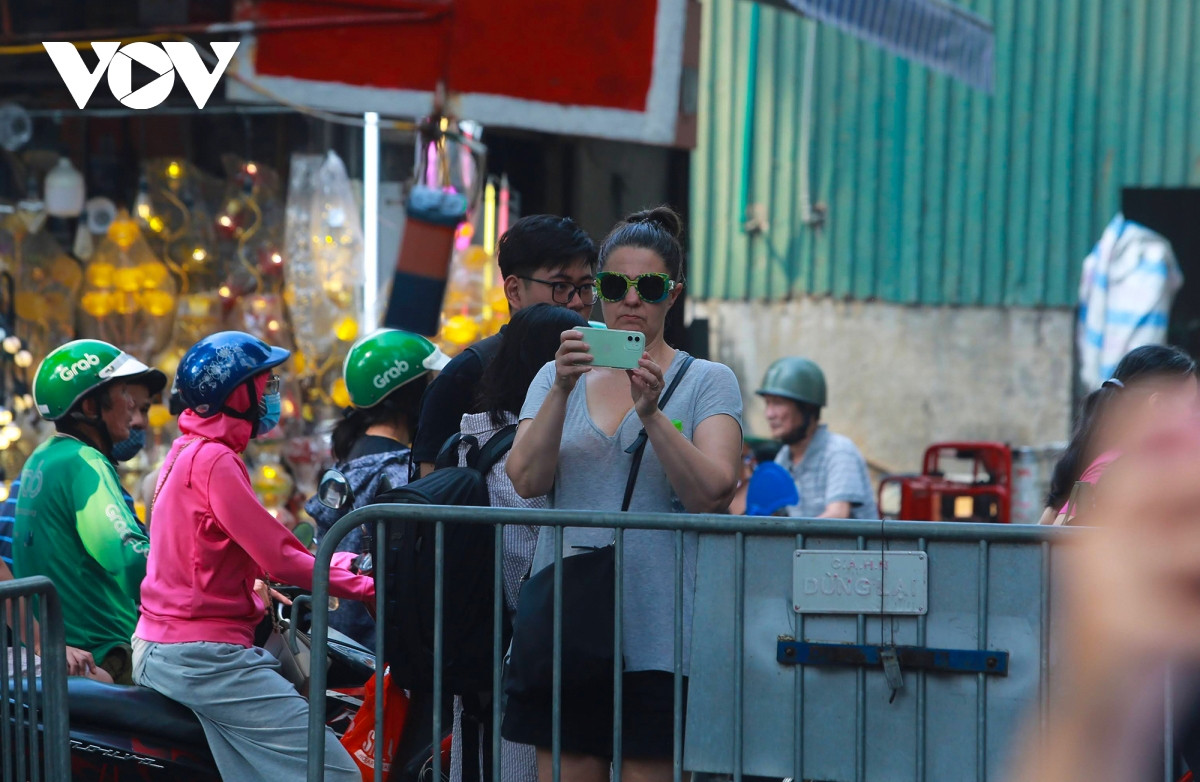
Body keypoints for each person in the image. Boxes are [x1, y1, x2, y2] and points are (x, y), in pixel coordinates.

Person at [505, 206, 743, 782]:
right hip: (569, 623)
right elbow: (526, 479)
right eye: (614, 286)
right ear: (597, 293)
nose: (631, 300)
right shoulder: (555, 376)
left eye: (649, 287)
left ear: (672, 295)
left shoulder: (706, 381)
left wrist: (653, 415)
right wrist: (561, 389)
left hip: (661, 629)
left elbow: (714, 492)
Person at [132, 330, 374, 782]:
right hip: (203, 657)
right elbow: (281, 557)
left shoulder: (186, 451)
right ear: (237, 394)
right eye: (264, 385)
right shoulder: (215, 460)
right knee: (336, 773)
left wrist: (337, 565)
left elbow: (243, 547)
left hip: (168, 647)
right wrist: (365, 587)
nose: (270, 395)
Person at [449, 303, 588, 782]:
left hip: (478, 636)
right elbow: (525, 551)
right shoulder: (525, 446)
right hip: (521, 641)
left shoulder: (474, 434)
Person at [12, 339, 162, 683]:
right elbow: (128, 559)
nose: (130, 404)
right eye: (122, 392)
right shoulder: (85, 462)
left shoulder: (43, 457)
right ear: (92, 406)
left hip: (65, 649)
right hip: (106, 654)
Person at [412, 215, 598, 477]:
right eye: (560, 286)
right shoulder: (466, 373)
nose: (577, 302)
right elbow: (432, 485)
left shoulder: (603, 368)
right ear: (514, 291)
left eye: (586, 287)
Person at [304, 328, 449, 645]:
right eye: (430, 383)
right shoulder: (399, 471)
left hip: (338, 639)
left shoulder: (350, 461)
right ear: (410, 392)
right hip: (379, 651)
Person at [1038, 344, 1197, 525]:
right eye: (1191, 405)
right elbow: (1063, 533)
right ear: (1158, 404)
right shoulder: (1120, 467)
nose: (1194, 416)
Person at [757, 357, 878, 520]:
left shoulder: (838, 451)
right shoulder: (783, 458)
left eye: (778, 403)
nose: (769, 414)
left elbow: (838, 514)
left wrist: (794, 533)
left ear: (808, 408)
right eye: (767, 403)